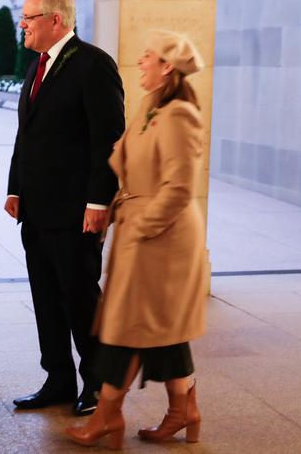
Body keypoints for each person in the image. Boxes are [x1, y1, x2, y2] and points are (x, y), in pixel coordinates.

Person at [65, 30, 208, 449]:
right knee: (159, 328)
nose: (140, 63)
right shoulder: (151, 108)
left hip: (161, 238)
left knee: (124, 329)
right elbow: (126, 162)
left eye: (147, 57)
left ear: (168, 67)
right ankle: (184, 411)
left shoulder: (181, 115)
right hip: (142, 230)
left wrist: (142, 229)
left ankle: (106, 416)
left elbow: (179, 189)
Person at [4, 0, 125, 416]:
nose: (22, 24)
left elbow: (108, 141)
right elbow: (27, 135)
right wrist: (15, 187)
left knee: (79, 300)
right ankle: (57, 378)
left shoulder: (94, 66)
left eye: (29, 17)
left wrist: (98, 202)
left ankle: (97, 385)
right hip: (36, 210)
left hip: (75, 213)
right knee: (46, 299)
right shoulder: (37, 67)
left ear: (56, 20)